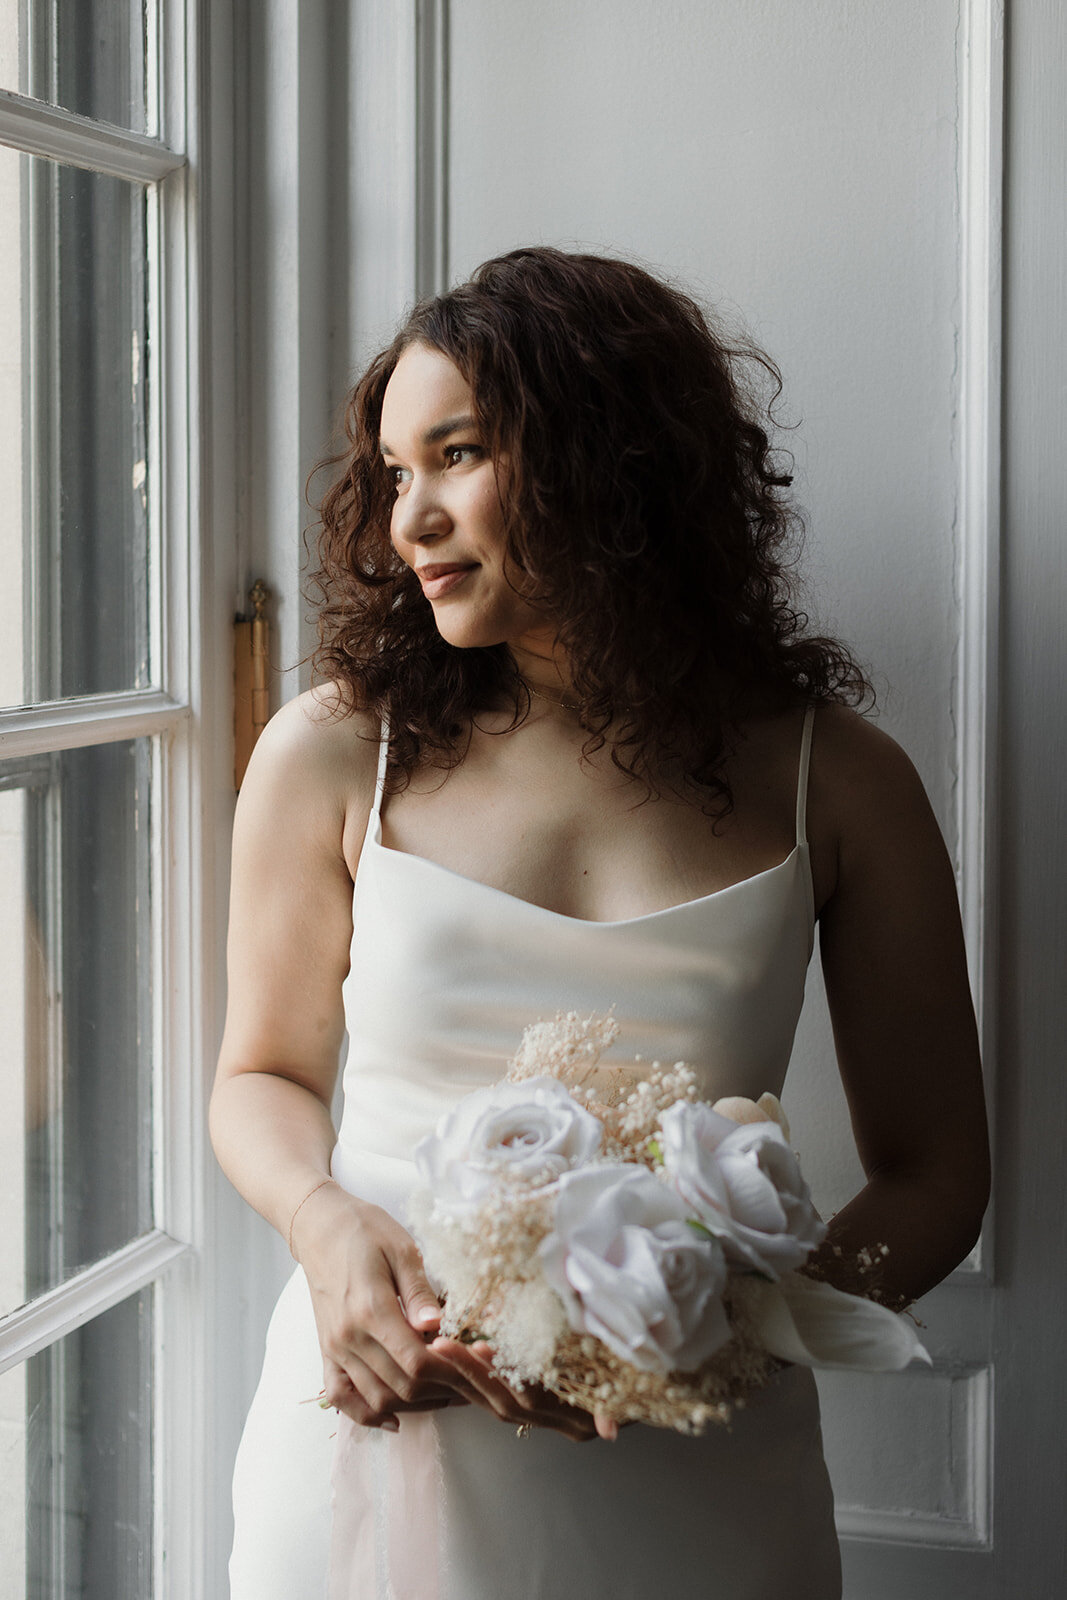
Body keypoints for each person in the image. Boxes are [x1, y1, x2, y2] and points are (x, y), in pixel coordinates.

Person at [211, 247, 990, 1599]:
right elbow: (260, 1077)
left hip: (692, 1474)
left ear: (608, 458)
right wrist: (328, 1228)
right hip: (377, 1429)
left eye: (453, 456)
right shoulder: (338, 751)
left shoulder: (841, 781)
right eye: (395, 474)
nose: (410, 520)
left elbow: (937, 1172)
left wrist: (724, 1330)